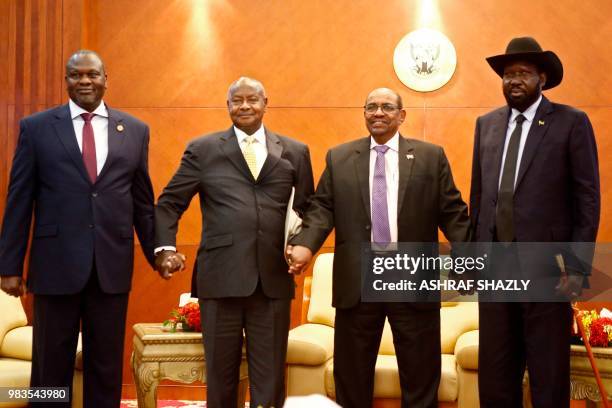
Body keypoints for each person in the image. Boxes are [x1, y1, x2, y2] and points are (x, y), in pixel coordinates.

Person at [287, 88, 470, 408]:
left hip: (411, 278)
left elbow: (453, 212)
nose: (378, 112)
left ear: (402, 115)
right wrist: (304, 245)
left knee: (420, 370)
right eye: (371, 106)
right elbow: (321, 210)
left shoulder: (430, 156)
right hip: (358, 280)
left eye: (387, 107)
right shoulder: (340, 157)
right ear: (364, 113)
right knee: (352, 373)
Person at [0, 50, 158, 407]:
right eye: (75, 75)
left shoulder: (134, 130)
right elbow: (18, 200)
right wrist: (9, 266)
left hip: (111, 267)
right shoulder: (37, 128)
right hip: (55, 266)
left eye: (92, 75)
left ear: (106, 79)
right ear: (66, 80)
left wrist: (158, 251)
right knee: (50, 367)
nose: (84, 81)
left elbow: (143, 203)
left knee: (105, 365)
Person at [154, 77, 314, 408]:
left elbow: (308, 209)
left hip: (273, 278)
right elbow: (170, 202)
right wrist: (166, 248)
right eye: (236, 100)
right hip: (220, 278)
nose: (244, 106)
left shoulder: (295, 151)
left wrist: (302, 244)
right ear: (227, 105)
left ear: (265, 102)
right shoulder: (203, 149)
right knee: (221, 377)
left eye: (252, 99)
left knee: (269, 379)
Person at [470, 37, 600, 408]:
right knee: (495, 372)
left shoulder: (571, 122)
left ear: (542, 78)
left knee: (548, 372)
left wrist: (576, 266)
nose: (514, 81)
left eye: (523, 73)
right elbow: (479, 198)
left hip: (549, 271)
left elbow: (587, 200)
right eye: (508, 74)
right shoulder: (487, 125)